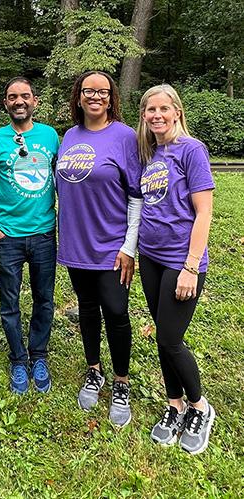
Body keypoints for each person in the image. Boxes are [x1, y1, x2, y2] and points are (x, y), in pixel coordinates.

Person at [55, 71, 143, 427]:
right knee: (88, 310)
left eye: (102, 91)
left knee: (117, 313)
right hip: (76, 244)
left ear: (111, 98)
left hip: (112, 247)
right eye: (87, 90)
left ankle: (121, 382)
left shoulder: (124, 137)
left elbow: (136, 195)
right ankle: (94, 370)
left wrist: (129, 246)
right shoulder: (69, 136)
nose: (94, 96)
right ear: (78, 97)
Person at [137, 84, 215, 454]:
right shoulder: (150, 152)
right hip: (149, 256)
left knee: (170, 338)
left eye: (163, 109)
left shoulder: (192, 150)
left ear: (177, 111)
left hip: (180, 261)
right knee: (162, 337)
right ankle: (174, 403)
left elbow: (204, 212)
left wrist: (190, 267)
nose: (156, 115)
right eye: (150, 110)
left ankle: (200, 406)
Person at [0, 77, 59, 394]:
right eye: (12, 97)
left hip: (43, 233)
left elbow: (62, 179)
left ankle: (38, 355)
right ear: (6, 104)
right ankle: (17, 358)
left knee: (44, 300)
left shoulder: (50, 136)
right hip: (8, 235)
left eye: (24, 96)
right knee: (9, 302)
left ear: (34, 101)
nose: (19, 101)